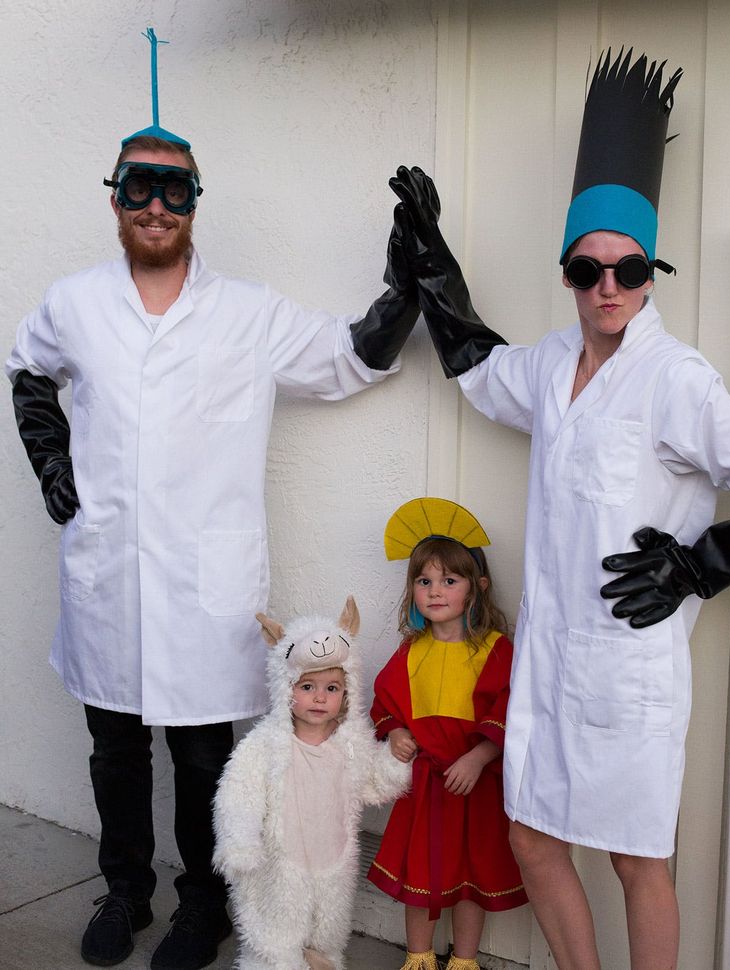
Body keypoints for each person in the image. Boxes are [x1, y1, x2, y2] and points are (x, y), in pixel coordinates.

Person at [5, 30, 420, 970]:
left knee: (203, 761)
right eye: (139, 185)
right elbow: (26, 368)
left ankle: (203, 904)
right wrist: (50, 459)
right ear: (114, 198)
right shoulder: (74, 302)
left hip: (207, 588)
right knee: (114, 752)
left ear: (196, 204)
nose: (156, 203)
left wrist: (408, 279)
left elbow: (353, 357)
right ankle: (124, 891)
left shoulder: (246, 313)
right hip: (107, 575)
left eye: (175, 188)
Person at [388, 49, 730, 970]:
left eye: (627, 269)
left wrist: (706, 562)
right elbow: (474, 363)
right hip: (547, 669)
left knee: (637, 859)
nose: (608, 287)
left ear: (650, 272)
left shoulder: (678, 379)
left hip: (628, 670)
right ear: (568, 273)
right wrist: (433, 266)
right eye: (587, 271)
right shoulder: (547, 366)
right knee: (537, 840)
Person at [368, 497, 527, 970]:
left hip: (473, 785)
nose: (435, 591)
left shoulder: (495, 649)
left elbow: (510, 706)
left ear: (476, 588)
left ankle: (464, 960)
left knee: (470, 877)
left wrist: (479, 756)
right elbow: (384, 701)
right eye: (424, 580)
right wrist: (394, 731)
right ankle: (418, 958)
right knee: (421, 874)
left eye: (449, 580)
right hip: (425, 787)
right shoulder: (411, 649)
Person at [212, 596, 410, 970]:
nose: (319, 697)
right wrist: (240, 839)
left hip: (331, 856)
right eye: (307, 687)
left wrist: (396, 761)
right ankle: (273, 961)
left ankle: (321, 958)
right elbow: (239, 791)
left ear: (347, 692)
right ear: (286, 688)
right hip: (281, 859)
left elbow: (373, 784)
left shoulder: (350, 743)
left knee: (327, 926)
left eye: (332, 688)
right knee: (277, 927)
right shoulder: (267, 744)